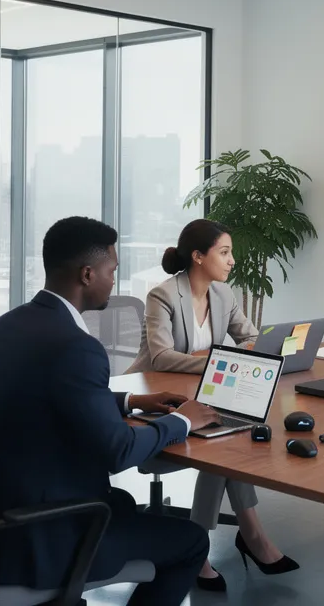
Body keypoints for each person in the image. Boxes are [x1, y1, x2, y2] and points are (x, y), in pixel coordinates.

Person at [0, 216, 220, 606]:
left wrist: (131, 401)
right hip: (42, 537)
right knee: (191, 541)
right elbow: (118, 452)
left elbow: (44, 395)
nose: (114, 280)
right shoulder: (76, 346)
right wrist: (183, 420)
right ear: (87, 274)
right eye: (112, 270)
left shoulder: (9, 325)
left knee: (125, 507)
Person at [126, 220, 298, 590]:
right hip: (154, 401)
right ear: (198, 257)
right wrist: (221, 360)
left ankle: (215, 543)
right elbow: (162, 357)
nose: (232, 260)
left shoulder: (224, 295)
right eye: (224, 252)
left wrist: (261, 350)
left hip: (203, 394)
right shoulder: (164, 295)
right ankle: (246, 537)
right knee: (225, 446)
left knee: (231, 440)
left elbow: (250, 338)